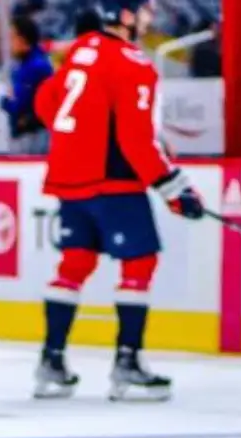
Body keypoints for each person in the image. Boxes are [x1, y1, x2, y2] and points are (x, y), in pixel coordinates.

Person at [32, 0, 204, 402]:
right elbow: (136, 140)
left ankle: (50, 362)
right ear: (125, 16)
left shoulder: (80, 51)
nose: (147, 18)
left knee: (74, 262)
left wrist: (84, 135)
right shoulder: (134, 63)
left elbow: (46, 103)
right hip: (113, 181)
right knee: (139, 262)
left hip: (69, 177)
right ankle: (128, 364)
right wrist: (176, 191)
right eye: (143, 11)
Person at [0, 14, 53, 154]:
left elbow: (20, 105)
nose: (10, 43)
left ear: (22, 39)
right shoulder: (26, 64)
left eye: (12, 37)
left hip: (32, 136)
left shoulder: (34, 67)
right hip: (32, 133)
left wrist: (4, 102)